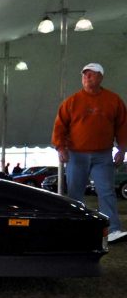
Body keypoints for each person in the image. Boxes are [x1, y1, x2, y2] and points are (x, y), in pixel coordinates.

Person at [52, 62, 127, 243]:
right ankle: (73, 229)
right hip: (76, 155)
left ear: (101, 77)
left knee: (107, 192)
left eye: (91, 74)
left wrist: (122, 150)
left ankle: (113, 230)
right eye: (85, 75)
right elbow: (59, 126)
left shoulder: (113, 100)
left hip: (103, 155)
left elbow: (122, 126)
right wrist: (61, 147)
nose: (87, 77)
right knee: (75, 194)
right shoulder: (71, 102)